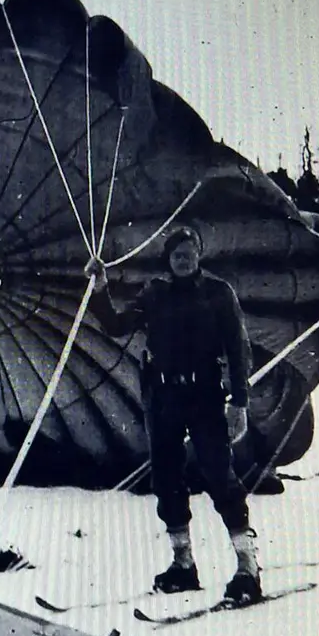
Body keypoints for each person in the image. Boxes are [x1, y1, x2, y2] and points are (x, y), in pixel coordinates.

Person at [84, 225, 263, 603]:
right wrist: (100, 289)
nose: (184, 260)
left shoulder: (218, 293)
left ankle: (247, 564)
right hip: (162, 397)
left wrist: (240, 401)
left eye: (190, 253)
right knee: (166, 477)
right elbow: (117, 326)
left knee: (218, 473)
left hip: (204, 396)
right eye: (177, 254)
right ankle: (183, 563)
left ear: (199, 255)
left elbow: (238, 349)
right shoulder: (154, 293)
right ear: (169, 258)